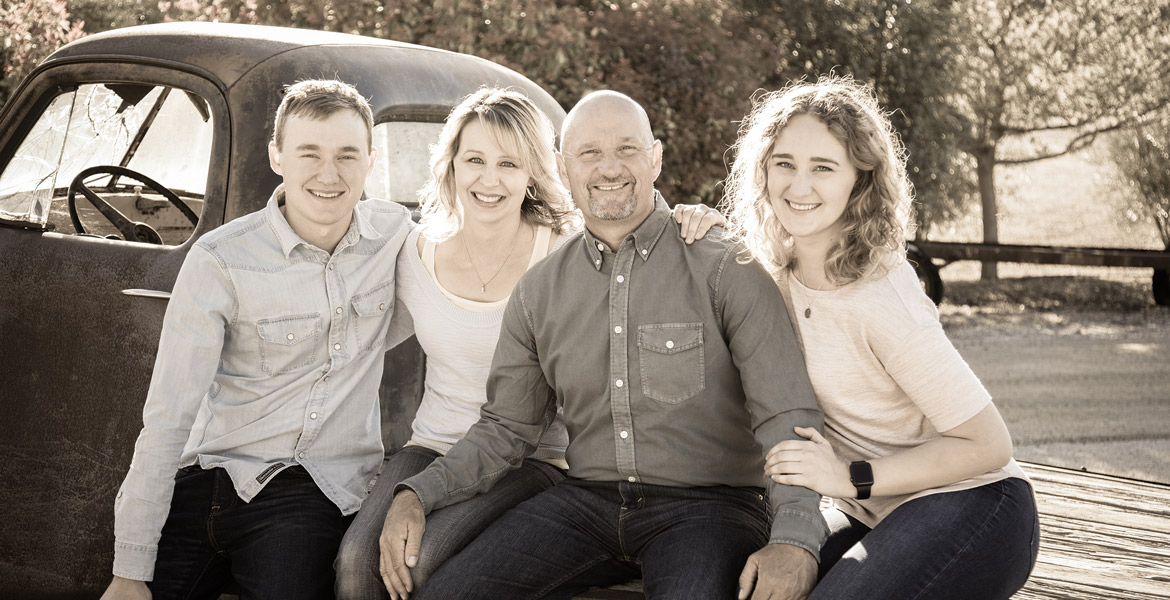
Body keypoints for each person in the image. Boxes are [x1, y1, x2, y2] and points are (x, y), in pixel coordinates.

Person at [380, 90, 827, 600]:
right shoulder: (539, 290)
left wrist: (796, 539)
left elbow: (788, 419)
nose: (608, 167)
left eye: (627, 149)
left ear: (655, 158)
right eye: (589, 152)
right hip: (584, 502)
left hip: (710, 507)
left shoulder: (726, 268)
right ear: (562, 168)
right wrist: (419, 491)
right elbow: (506, 427)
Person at [334, 88, 725, 600]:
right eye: (474, 159)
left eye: (509, 163)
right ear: (450, 165)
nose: (489, 179)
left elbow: (638, 235)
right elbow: (355, 341)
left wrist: (693, 220)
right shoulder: (415, 252)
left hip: (531, 457)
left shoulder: (564, 249)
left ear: (534, 173)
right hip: (431, 445)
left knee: (419, 561)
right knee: (355, 562)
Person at [724, 75, 1039, 599]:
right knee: (747, 586)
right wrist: (683, 224)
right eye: (785, 164)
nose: (798, 187)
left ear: (859, 181)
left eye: (823, 168)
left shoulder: (881, 297)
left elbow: (988, 443)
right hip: (872, 514)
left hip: (978, 504)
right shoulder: (771, 275)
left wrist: (851, 479)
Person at [99, 79, 413, 600]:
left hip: (307, 491)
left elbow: (475, 244)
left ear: (371, 161)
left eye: (347, 155)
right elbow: (167, 418)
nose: (329, 174)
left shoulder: (397, 236)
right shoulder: (221, 259)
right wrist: (129, 569)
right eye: (309, 152)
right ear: (276, 156)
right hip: (205, 476)